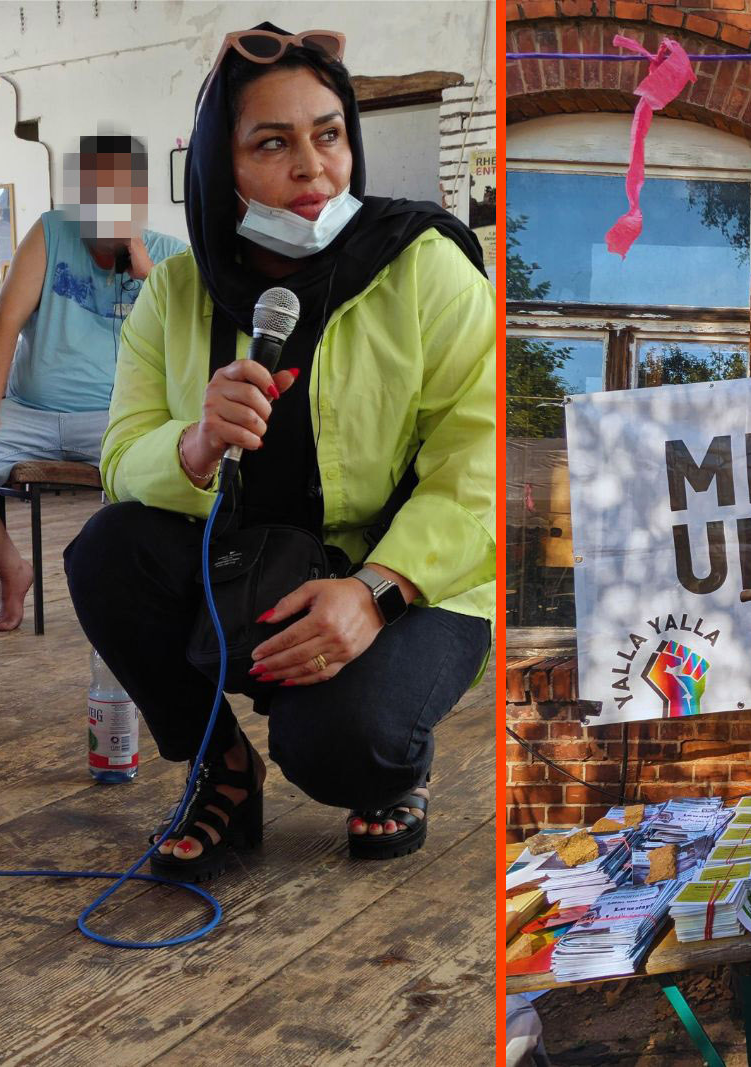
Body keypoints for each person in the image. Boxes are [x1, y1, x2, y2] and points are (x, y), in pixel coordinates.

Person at [64, 24, 494, 880]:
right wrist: (190, 445)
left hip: (408, 576)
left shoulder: (425, 268)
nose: (313, 169)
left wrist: (376, 592)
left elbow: (480, 465)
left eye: (329, 134)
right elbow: (118, 460)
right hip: (252, 559)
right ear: (219, 168)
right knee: (105, 555)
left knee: (339, 744)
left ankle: (395, 769)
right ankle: (221, 765)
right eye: (273, 142)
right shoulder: (176, 293)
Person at [0, 134, 186, 631]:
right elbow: (7, 321)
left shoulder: (171, 258)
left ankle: (128, 604)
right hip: (29, 411)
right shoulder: (51, 232)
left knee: (155, 484)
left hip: (115, 418)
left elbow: (193, 340)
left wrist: (148, 276)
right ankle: (13, 570)